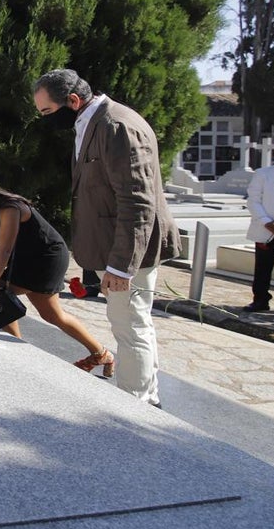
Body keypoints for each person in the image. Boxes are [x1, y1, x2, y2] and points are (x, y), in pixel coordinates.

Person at [33, 69, 179, 407]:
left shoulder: (116, 126)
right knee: (133, 324)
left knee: (130, 329)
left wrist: (121, 267)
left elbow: (137, 201)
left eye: (47, 113)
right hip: (110, 246)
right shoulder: (91, 121)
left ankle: (134, 404)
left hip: (126, 253)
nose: (45, 121)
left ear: (72, 101)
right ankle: (148, 395)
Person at [0, 160, 113, 370]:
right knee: (44, 312)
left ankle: (21, 353)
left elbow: (4, 250)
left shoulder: (9, 207)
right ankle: (98, 354)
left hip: (45, 257)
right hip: (20, 257)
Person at [243, 137, 274, 312]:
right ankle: (260, 300)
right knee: (262, 268)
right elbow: (253, 200)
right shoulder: (263, 174)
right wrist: (266, 222)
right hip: (265, 229)